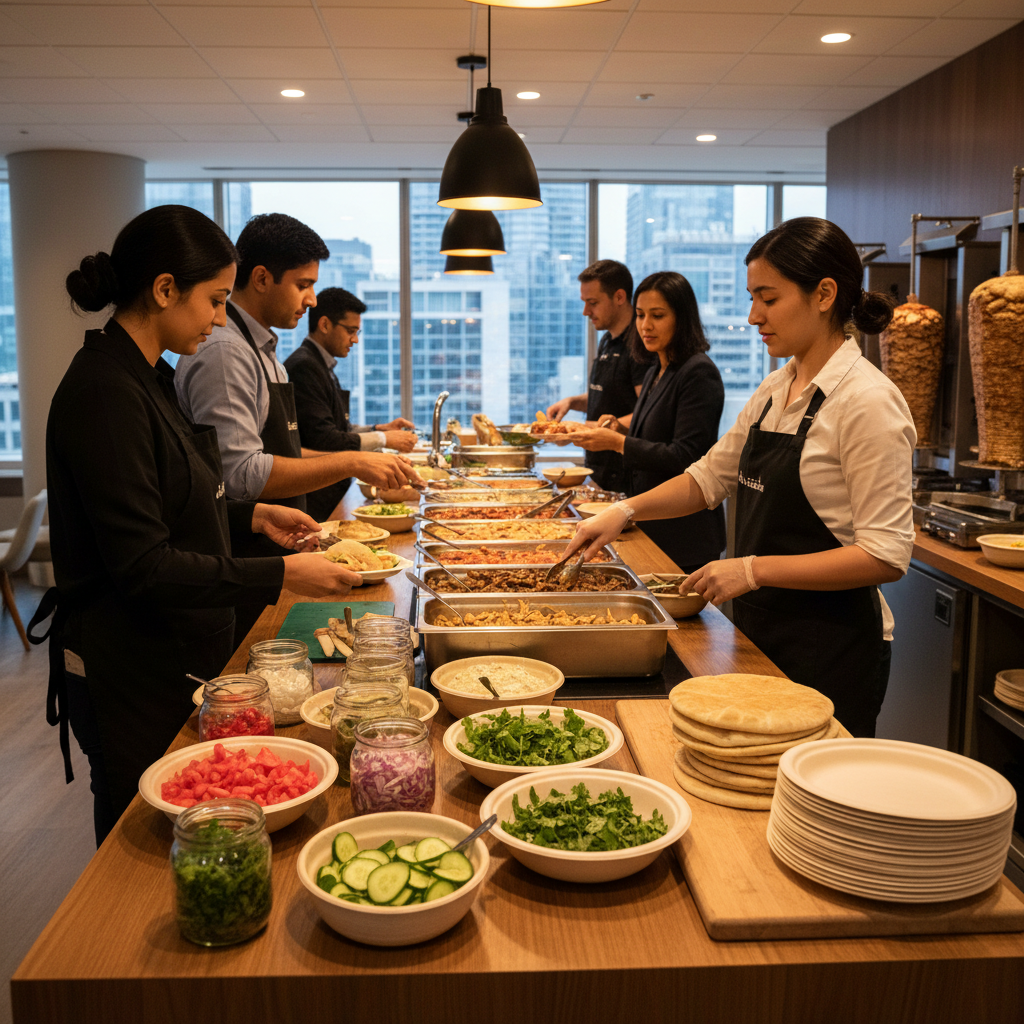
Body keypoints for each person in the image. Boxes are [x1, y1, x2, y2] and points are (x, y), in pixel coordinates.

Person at [35, 205, 364, 845]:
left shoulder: (149, 375)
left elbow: (177, 499)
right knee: (142, 848)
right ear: (164, 290)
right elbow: (145, 564)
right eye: (215, 300)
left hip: (175, 650)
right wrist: (284, 571)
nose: (220, 319)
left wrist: (250, 514)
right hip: (128, 664)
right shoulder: (103, 390)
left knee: (200, 829)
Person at [567, 217, 915, 737]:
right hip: (760, 629)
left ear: (824, 294)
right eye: (752, 298)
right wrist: (623, 511)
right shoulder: (776, 388)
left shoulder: (867, 402)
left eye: (768, 299)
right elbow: (707, 478)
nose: (753, 316)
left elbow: (885, 554)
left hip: (831, 645)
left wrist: (751, 569)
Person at [566, 271, 725, 573]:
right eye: (640, 315)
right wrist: (616, 425)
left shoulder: (698, 372)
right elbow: (653, 431)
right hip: (650, 523)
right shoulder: (657, 368)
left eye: (658, 315)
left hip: (683, 533)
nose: (645, 325)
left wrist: (618, 443)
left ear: (682, 318)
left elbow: (686, 457)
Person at [284, 287, 417, 521]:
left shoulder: (321, 364)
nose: (355, 339)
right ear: (324, 325)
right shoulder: (304, 366)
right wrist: (385, 440)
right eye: (350, 331)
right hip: (316, 500)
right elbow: (325, 440)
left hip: (330, 493)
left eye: (357, 332)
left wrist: (378, 429)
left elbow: (337, 427)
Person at [545, 260, 647, 493]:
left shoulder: (640, 344)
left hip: (626, 477)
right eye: (584, 303)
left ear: (620, 297)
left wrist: (579, 430)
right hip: (600, 475)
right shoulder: (607, 340)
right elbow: (609, 394)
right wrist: (572, 402)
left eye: (593, 303)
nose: (585, 312)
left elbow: (646, 413)